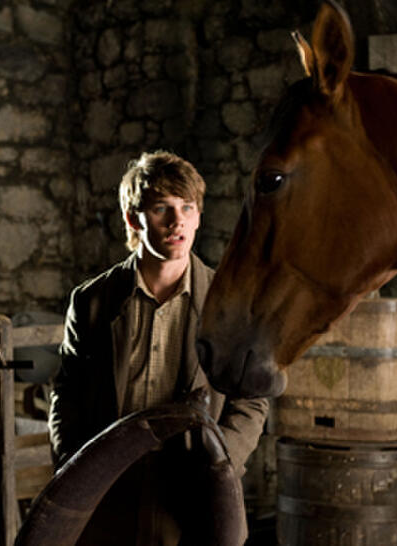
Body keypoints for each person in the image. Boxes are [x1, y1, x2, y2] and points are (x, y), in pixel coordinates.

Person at [48, 150, 269, 545]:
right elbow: (67, 393)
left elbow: (251, 400)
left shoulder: (230, 303)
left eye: (187, 207)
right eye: (161, 208)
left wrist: (223, 463)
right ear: (134, 219)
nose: (177, 220)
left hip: (193, 491)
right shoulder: (91, 301)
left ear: (199, 216)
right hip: (109, 489)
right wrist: (75, 466)